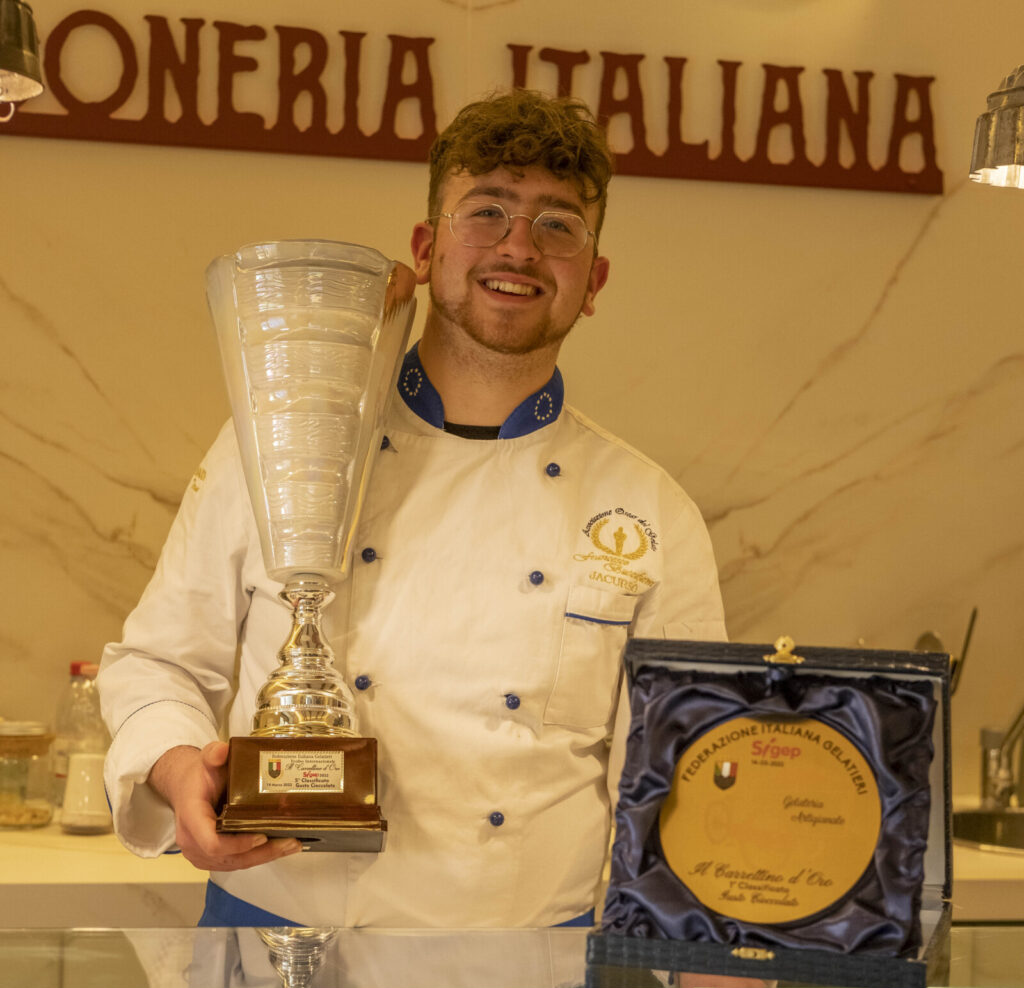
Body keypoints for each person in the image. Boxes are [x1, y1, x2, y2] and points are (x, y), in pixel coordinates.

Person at [98, 88, 727, 931]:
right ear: (427, 249)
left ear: (594, 279)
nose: (518, 247)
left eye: (559, 224)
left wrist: (712, 942)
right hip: (277, 950)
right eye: (488, 212)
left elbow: (685, 769)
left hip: (521, 981)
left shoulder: (649, 509)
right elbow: (159, 662)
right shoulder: (280, 442)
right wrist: (179, 772)